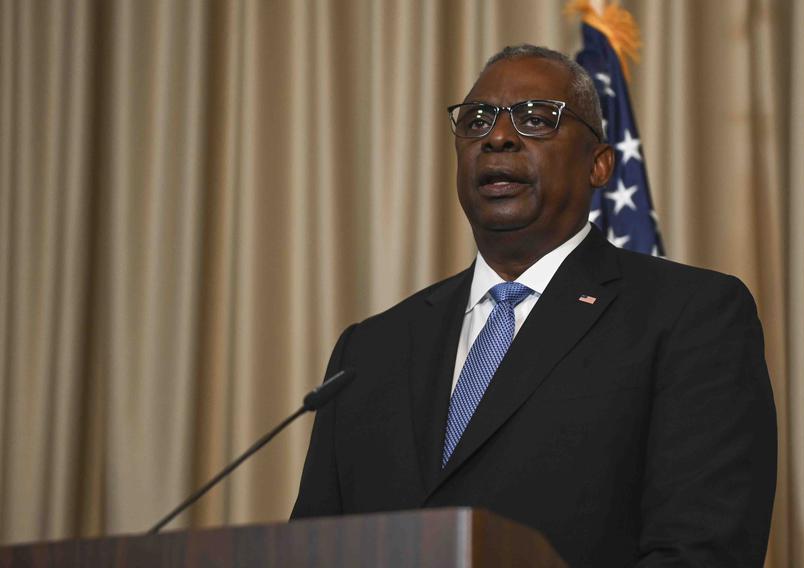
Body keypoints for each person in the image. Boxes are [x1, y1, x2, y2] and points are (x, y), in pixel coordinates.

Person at [291, 44, 777, 567]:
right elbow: (311, 550)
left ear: (599, 165)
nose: (497, 136)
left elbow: (703, 551)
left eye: (535, 119)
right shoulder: (369, 350)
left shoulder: (690, 315)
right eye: (476, 120)